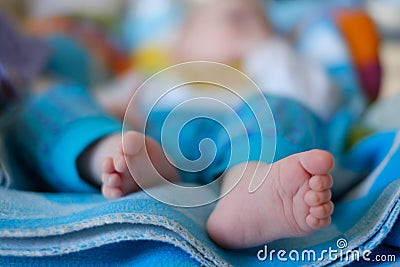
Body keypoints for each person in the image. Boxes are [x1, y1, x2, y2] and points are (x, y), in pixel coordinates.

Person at [12, 0, 337, 249]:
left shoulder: (271, 70)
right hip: (155, 136)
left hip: (243, 132)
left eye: (257, 22)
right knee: (52, 103)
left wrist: (269, 48)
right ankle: (109, 154)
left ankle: (250, 190)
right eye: (231, 18)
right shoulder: (155, 75)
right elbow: (103, 100)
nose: (244, 29)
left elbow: (316, 99)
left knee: (285, 110)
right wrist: (111, 115)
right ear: (182, 40)